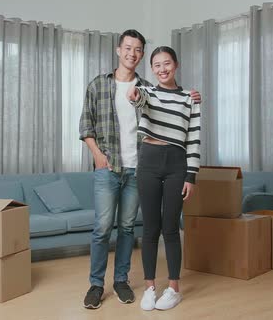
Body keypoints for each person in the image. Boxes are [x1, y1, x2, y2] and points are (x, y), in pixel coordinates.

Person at [79, 30, 201, 309]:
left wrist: (191, 97)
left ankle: (121, 280)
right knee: (101, 228)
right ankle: (96, 285)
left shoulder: (149, 87)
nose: (132, 53)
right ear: (118, 50)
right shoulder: (99, 85)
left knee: (126, 228)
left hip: (139, 166)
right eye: (128, 48)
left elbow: (160, 103)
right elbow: (86, 124)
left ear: (142, 55)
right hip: (108, 166)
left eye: (138, 50)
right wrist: (97, 154)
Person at [127, 46, 200, 311]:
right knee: (149, 228)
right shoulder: (148, 92)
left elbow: (193, 138)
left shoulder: (190, 98)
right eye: (156, 65)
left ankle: (173, 289)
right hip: (148, 160)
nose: (162, 69)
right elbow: (137, 99)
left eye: (166, 63)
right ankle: (149, 288)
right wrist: (134, 94)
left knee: (170, 228)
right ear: (152, 69)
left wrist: (191, 175)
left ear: (176, 65)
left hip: (176, 164)